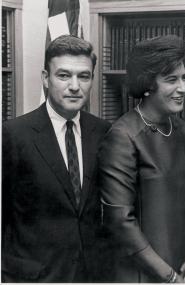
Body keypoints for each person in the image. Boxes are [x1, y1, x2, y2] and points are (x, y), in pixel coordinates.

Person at [2, 35, 111, 282]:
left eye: (83, 76)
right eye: (63, 75)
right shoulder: (12, 134)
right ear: (45, 79)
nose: (75, 86)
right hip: (34, 276)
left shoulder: (104, 132)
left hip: (91, 274)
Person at [97, 35, 185, 283]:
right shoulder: (123, 136)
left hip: (184, 265)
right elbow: (120, 223)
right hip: (141, 273)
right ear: (147, 84)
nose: (183, 88)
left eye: (184, 78)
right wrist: (168, 277)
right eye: (172, 80)